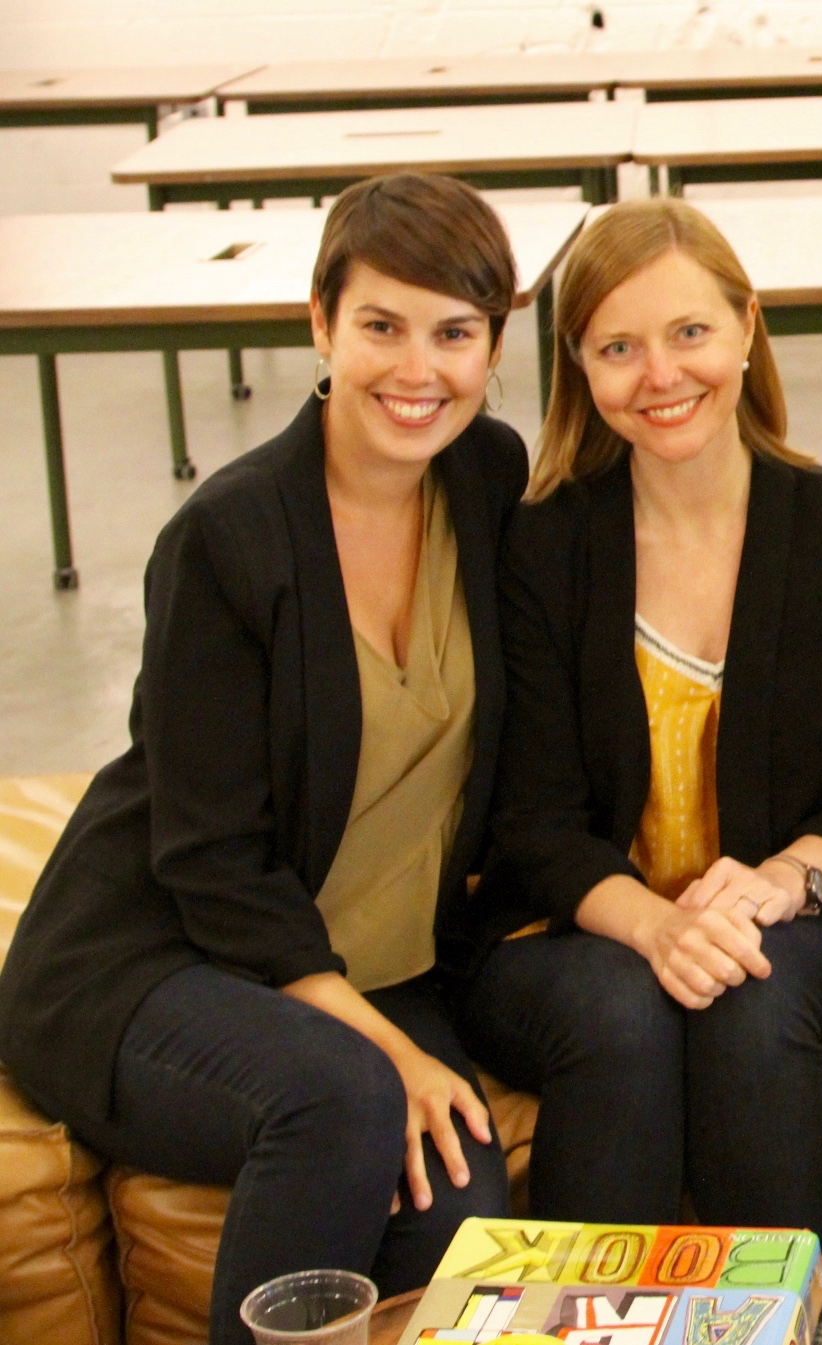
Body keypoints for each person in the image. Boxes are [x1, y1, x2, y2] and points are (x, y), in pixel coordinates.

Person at [0, 174, 525, 1345]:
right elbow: (212, 859)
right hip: (163, 953)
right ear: (318, 323)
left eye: (454, 334)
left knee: (456, 1217)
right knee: (342, 1097)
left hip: (371, 959)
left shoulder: (487, 481)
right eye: (380, 325)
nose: (417, 370)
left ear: (494, 344)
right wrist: (389, 1047)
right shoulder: (228, 537)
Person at [457, 197, 822, 1240]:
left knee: (749, 996)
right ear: (578, 366)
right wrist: (660, 926)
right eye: (617, 347)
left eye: (689, 333)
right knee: (619, 1005)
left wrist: (781, 879)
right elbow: (531, 816)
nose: (660, 375)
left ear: (747, 326)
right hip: (574, 926)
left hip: (803, 914)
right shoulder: (543, 544)